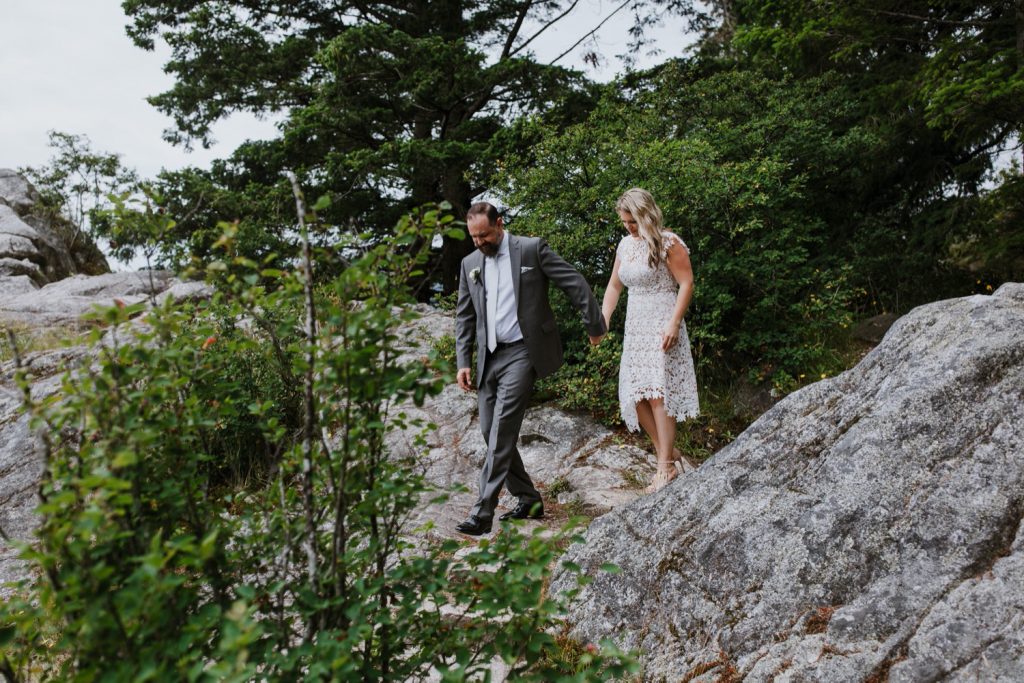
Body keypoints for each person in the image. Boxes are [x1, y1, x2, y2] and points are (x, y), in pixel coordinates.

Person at [454, 201, 607, 535]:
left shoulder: (531, 250)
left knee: (501, 430)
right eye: (474, 238)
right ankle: (529, 499)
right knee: (488, 430)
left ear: (500, 223)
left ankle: (482, 513)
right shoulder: (470, 264)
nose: (480, 242)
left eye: (484, 235)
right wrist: (463, 360)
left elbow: (574, 282)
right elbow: (464, 316)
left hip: (524, 352)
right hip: (488, 359)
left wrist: (594, 324)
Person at [601, 188, 699, 493]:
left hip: (662, 322)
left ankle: (665, 468)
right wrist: (602, 320)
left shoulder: (669, 242)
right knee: (635, 393)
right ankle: (668, 455)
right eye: (624, 222)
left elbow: (686, 283)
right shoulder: (625, 246)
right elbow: (614, 287)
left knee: (659, 393)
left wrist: (674, 322)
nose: (629, 227)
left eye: (632, 221)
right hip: (636, 326)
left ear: (646, 214)